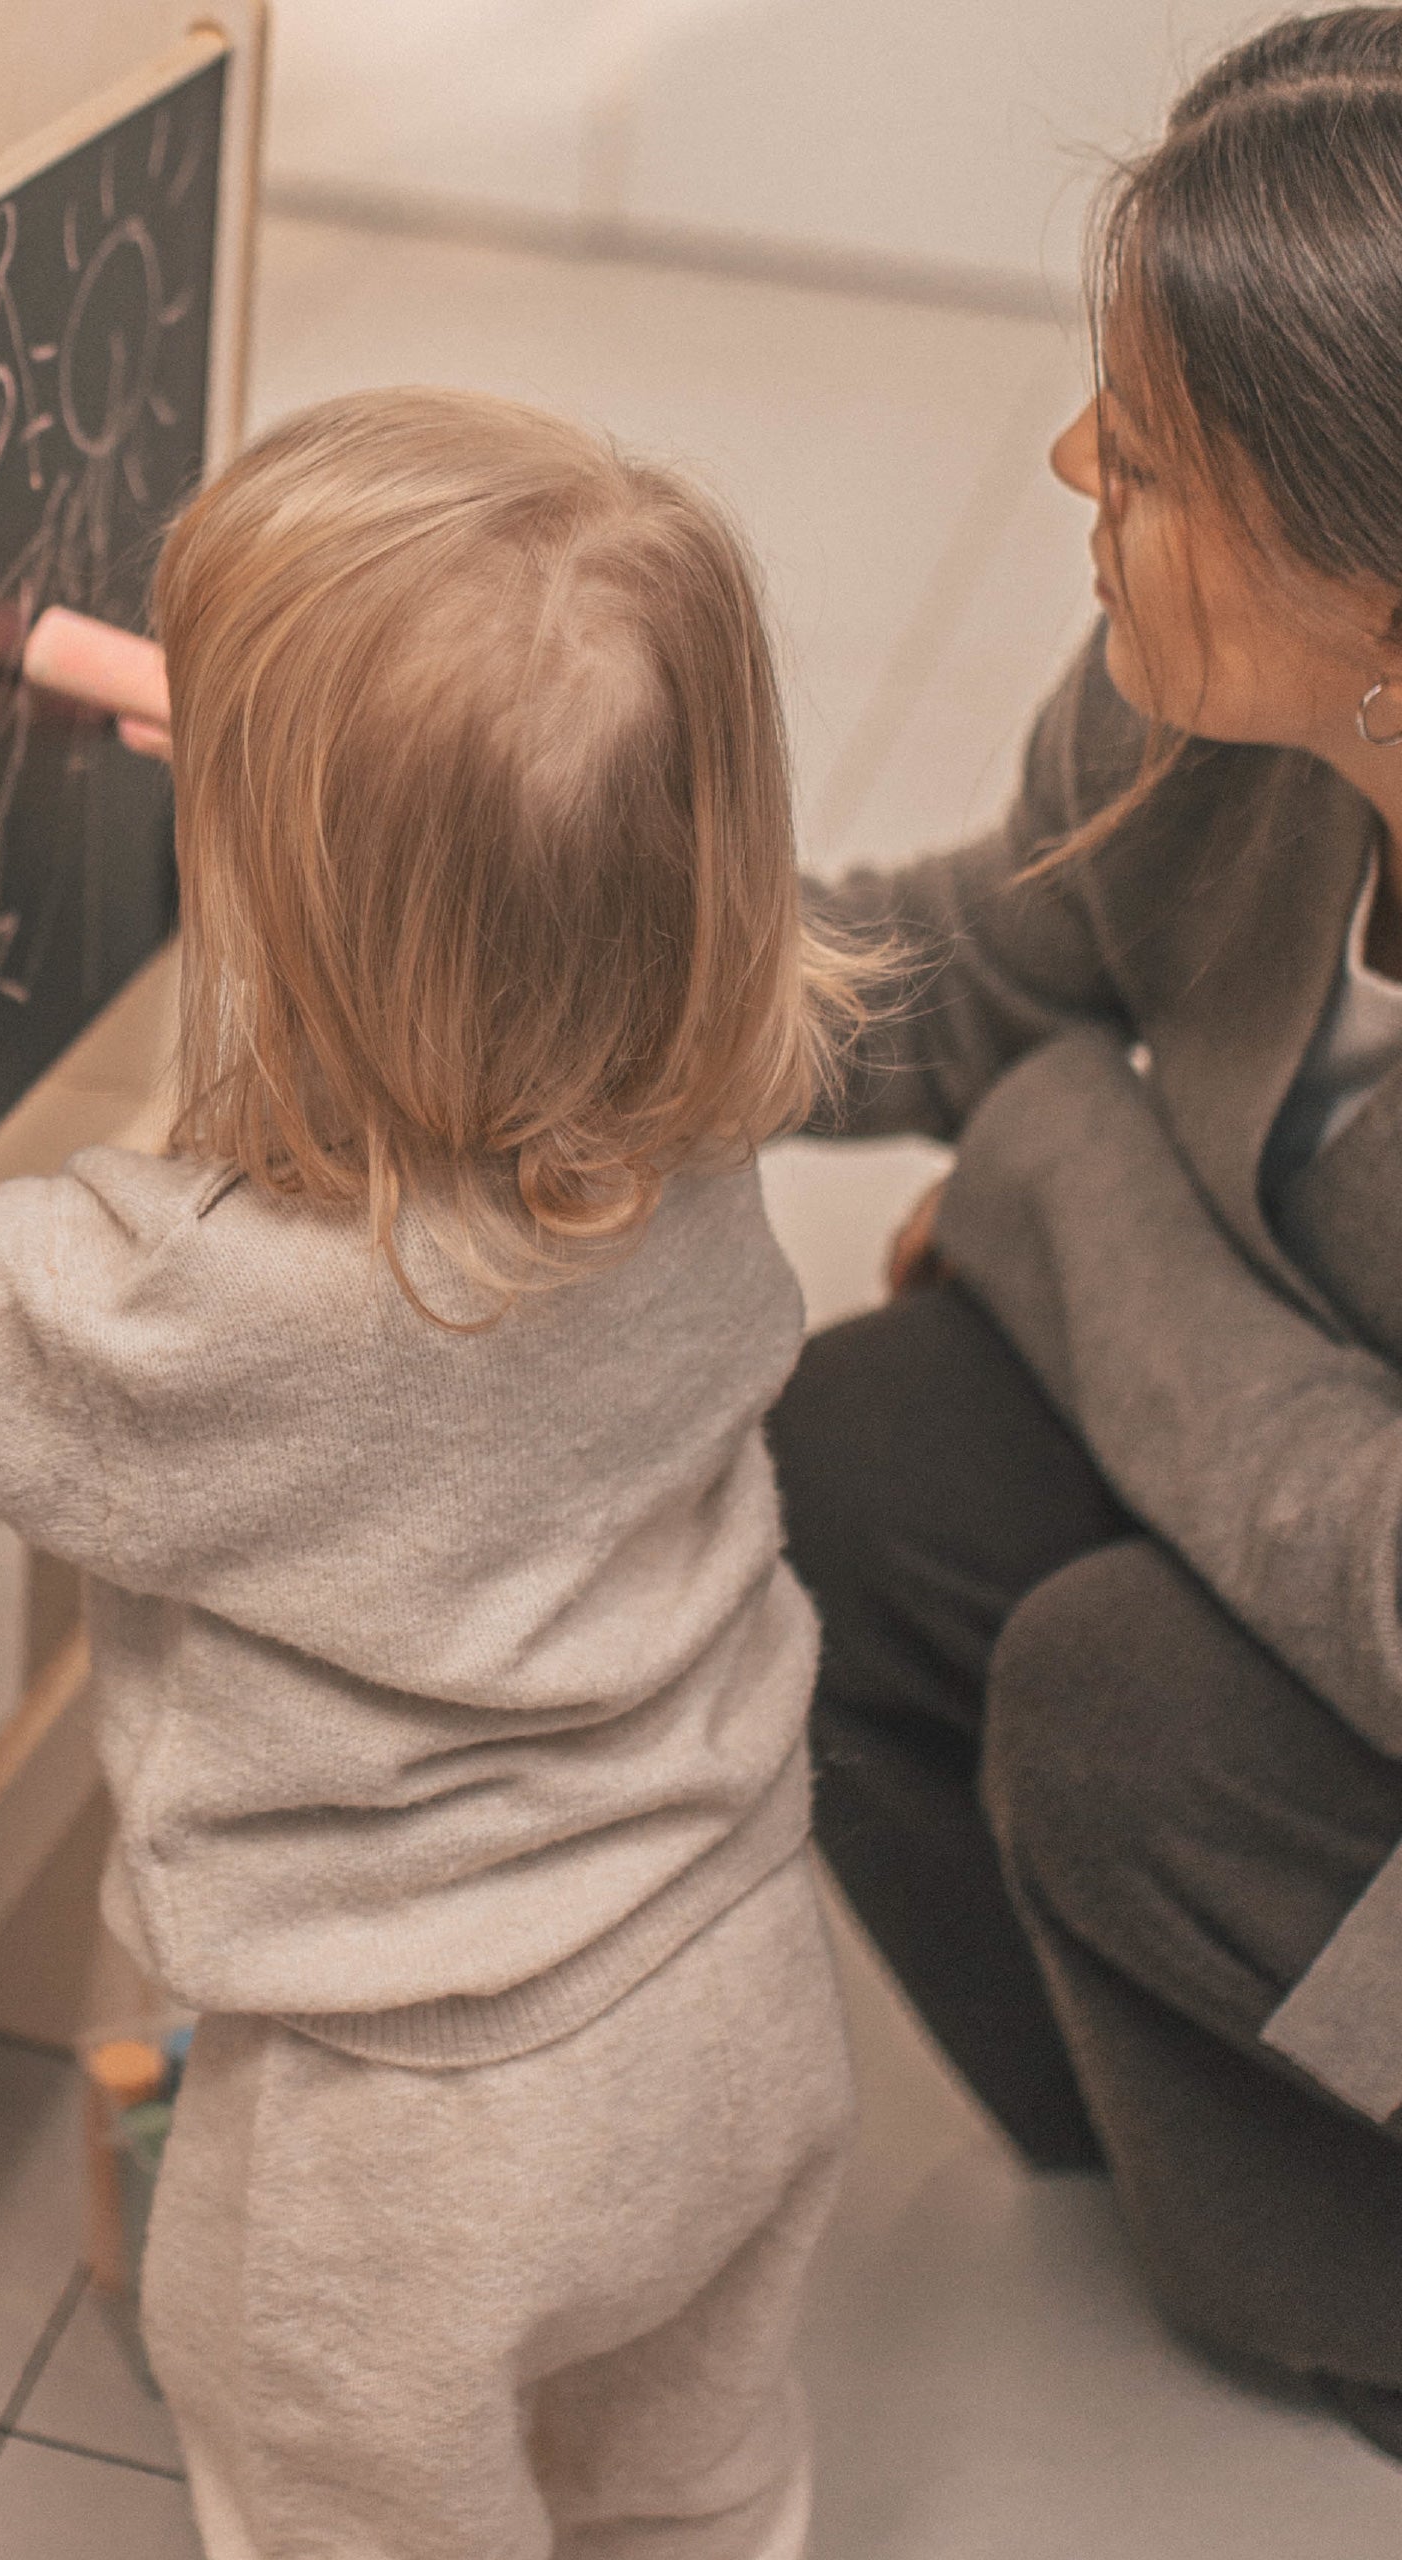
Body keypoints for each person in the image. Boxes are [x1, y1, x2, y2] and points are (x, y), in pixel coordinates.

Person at [0, 387, 864, 2559]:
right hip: (728, 1987)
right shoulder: (691, 1121)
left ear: (304, 915)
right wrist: (311, 762)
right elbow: (554, 848)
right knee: (687, 2479)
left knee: (343, 2502)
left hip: (402, 2129)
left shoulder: (215, 1308)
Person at [768, 4, 1402, 2460]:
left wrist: (1047, 1181)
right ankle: (1193, 2152)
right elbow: (970, 973)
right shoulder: (1216, 719)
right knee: (847, 1447)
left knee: (1121, 1699)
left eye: (1138, 459)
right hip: (1303, 1456)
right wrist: (516, 908)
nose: (1065, 466)